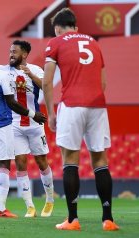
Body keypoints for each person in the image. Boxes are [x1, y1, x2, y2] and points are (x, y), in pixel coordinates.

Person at [42, 8, 119, 231]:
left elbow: (47, 82)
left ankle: (73, 220)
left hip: (72, 104)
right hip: (97, 105)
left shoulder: (56, 42)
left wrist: (51, 113)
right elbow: (103, 82)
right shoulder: (94, 43)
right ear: (75, 26)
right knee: (100, 161)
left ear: (57, 28)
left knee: (70, 160)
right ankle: (108, 219)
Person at [0, 40, 54, 218]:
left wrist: (30, 74)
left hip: (35, 124)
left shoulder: (36, 69)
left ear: (25, 54)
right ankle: (29, 206)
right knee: (20, 163)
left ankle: (50, 200)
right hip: (14, 124)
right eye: (10, 51)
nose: (11, 54)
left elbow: (46, 85)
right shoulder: (3, 70)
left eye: (15, 52)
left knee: (42, 162)